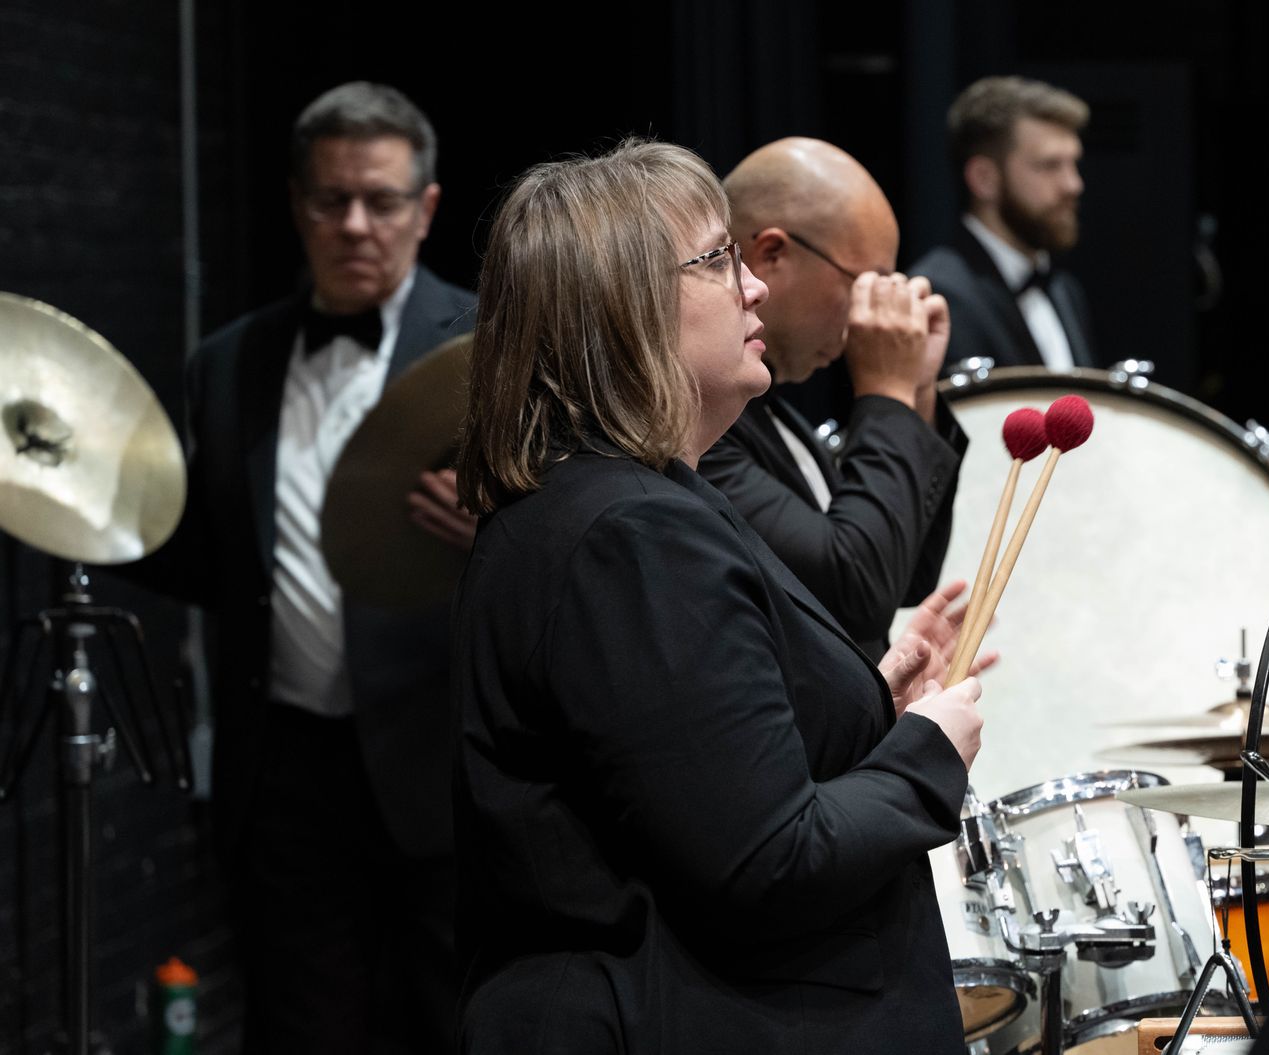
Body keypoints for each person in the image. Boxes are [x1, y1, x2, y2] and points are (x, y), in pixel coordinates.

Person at [452, 138, 988, 1054]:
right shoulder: (630, 532)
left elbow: (697, 777)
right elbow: (767, 863)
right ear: (622, 303)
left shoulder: (631, 500)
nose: (755, 288)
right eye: (715, 260)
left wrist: (872, 708)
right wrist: (928, 756)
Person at [125, 81, 474, 1053]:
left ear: (426, 208)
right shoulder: (226, 362)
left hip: (439, 770)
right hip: (283, 773)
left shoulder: (490, 342)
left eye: (381, 200)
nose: (355, 224)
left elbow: (583, 541)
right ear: (296, 203)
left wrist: (498, 528)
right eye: (331, 199)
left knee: (450, 1027)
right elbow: (215, 559)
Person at [700, 137, 967, 656]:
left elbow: (904, 576)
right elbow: (856, 589)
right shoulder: (699, 427)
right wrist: (887, 392)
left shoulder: (777, 413)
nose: (870, 317)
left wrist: (915, 391)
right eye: (866, 285)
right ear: (772, 253)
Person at [912, 75, 1100, 373]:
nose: (1073, 185)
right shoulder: (938, 295)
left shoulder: (1064, 290)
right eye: (1050, 165)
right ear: (984, 179)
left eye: (1073, 164)